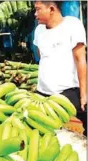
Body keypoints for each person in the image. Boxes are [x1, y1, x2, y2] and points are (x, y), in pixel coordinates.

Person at [33, 1, 87, 135]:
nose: (35, 14)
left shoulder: (72, 25)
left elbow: (81, 60)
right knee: (42, 132)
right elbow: (41, 56)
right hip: (43, 93)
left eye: (38, 9)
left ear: (51, 9)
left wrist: (84, 94)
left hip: (68, 91)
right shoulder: (39, 30)